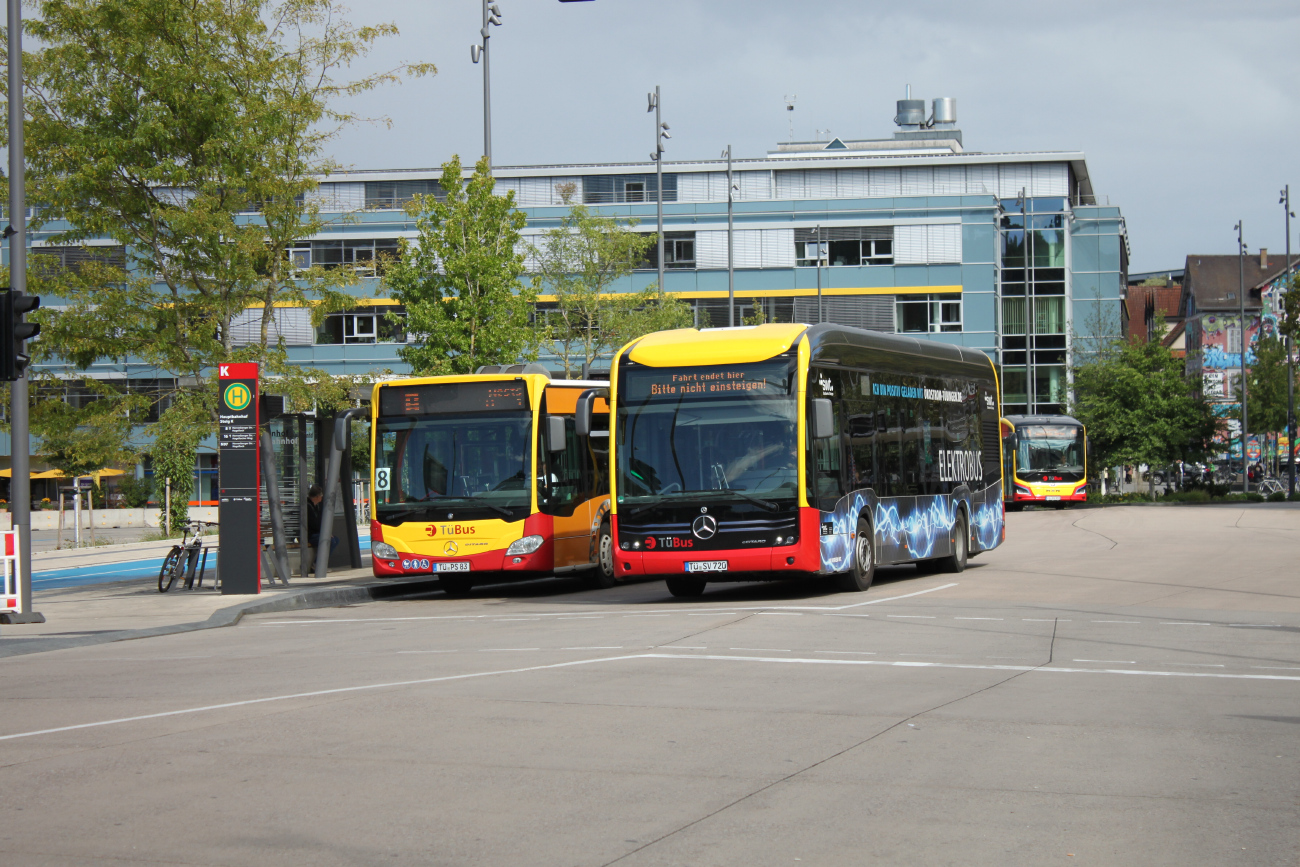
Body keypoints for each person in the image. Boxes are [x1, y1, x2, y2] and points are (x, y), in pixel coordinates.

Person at [305, 485, 339, 559]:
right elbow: (313, 524)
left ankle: (321, 563)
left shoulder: (315, 506)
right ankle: (317, 564)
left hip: (316, 533)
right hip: (310, 535)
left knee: (336, 540)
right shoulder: (308, 507)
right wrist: (324, 533)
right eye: (321, 496)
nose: (322, 497)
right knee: (331, 541)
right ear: (317, 496)